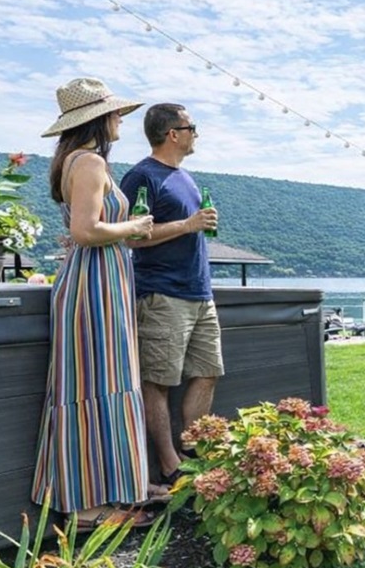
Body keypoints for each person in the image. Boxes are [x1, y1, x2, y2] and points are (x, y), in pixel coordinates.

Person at [31, 77, 159, 529]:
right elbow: (87, 231)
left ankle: (108, 492)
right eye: (116, 113)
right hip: (93, 283)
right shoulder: (87, 163)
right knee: (94, 382)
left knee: (101, 380)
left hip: (100, 281)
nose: (121, 119)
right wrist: (135, 226)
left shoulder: (78, 161)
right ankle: (88, 509)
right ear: (99, 119)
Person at [119, 104, 222, 485]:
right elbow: (129, 236)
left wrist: (196, 225)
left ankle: (193, 451)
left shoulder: (186, 178)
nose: (196, 132)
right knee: (157, 382)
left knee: (208, 371)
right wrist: (188, 224)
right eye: (191, 126)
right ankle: (169, 465)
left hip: (199, 293)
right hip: (161, 295)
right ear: (172, 134)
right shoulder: (141, 177)